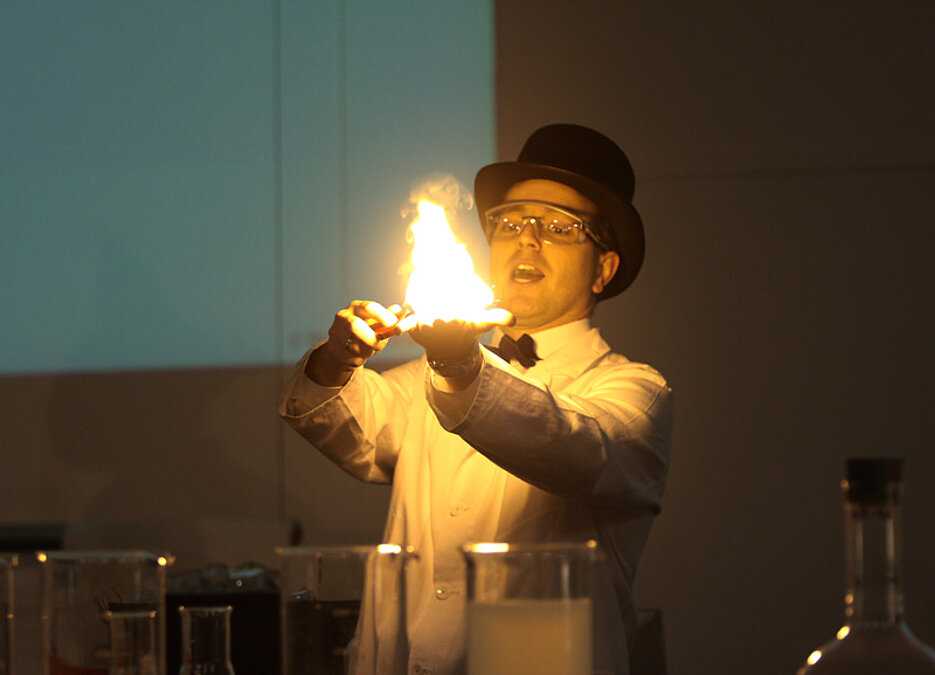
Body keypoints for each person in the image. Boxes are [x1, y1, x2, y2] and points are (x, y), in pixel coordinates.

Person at [279, 124, 673, 675]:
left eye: (560, 226)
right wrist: (338, 357)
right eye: (510, 222)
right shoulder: (424, 376)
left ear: (604, 269)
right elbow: (345, 424)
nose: (528, 239)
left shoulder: (634, 390)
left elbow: (575, 445)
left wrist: (459, 364)